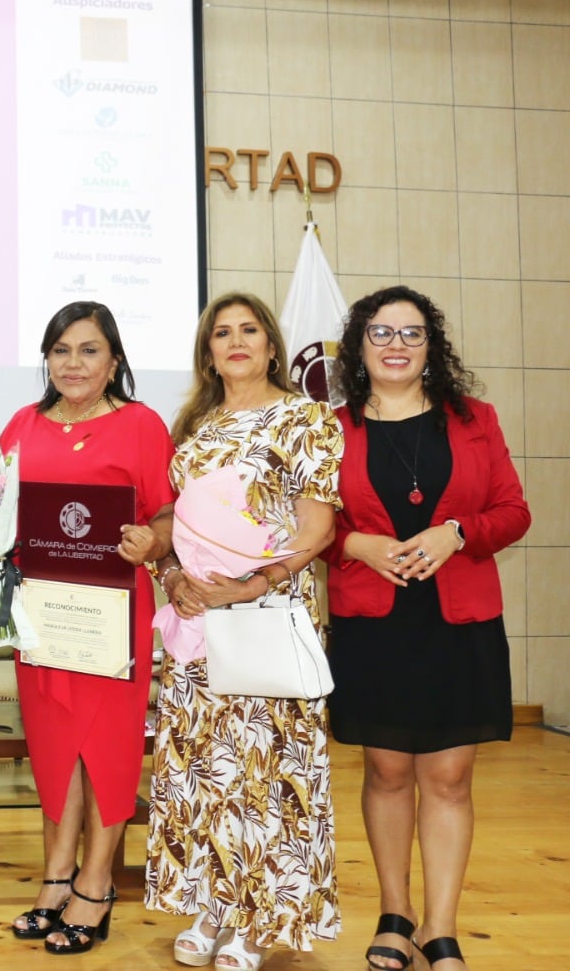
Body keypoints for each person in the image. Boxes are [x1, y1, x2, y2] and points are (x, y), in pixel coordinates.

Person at [325, 287, 529, 971]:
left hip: (458, 618)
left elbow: (513, 512)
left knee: (449, 776)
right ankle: (395, 912)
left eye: (411, 334)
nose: (396, 345)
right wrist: (357, 547)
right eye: (380, 333)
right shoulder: (331, 427)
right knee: (384, 770)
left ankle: (440, 928)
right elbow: (306, 529)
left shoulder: (477, 421)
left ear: (431, 347)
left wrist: (458, 532)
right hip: (371, 622)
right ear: (359, 346)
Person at [145, 292, 343, 971]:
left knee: (266, 770)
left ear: (270, 344)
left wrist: (252, 583)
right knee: (205, 770)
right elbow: (175, 523)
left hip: (266, 614)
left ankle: (258, 921)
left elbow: (318, 528)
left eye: (248, 330)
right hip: (198, 620)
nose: (235, 342)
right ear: (208, 352)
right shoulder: (193, 428)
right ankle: (213, 902)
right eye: (221, 333)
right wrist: (170, 574)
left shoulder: (305, 418)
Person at [0, 302, 176, 954]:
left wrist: (148, 543)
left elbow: (167, 516)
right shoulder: (22, 424)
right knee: (52, 747)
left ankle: (96, 885)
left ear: (114, 361)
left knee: (106, 749)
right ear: (46, 359)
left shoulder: (142, 425)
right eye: (61, 349)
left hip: (113, 616)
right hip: (41, 615)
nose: (74, 363)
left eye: (89, 350)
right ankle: (55, 879)